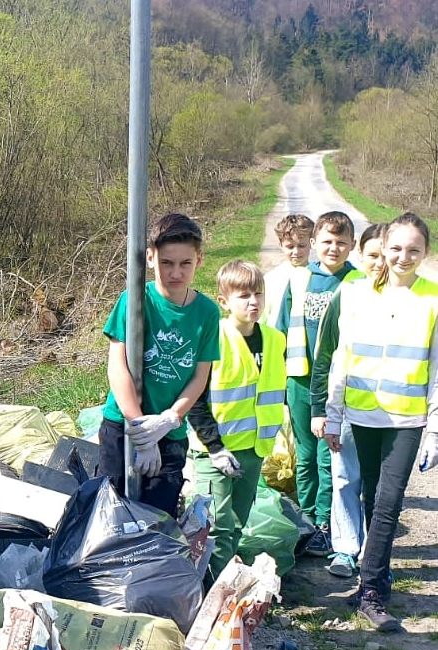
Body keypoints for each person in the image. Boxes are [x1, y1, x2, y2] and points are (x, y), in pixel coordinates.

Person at [325, 213, 438, 631]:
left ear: (426, 252)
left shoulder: (433, 299)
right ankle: (377, 575)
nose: (403, 257)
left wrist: (434, 431)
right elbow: (340, 359)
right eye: (396, 248)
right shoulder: (354, 293)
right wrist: (333, 416)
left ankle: (372, 591)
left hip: (406, 420)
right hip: (363, 416)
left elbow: (436, 369)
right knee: (371, 499)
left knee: (389, 504)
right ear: (383, 247)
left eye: (414, 250)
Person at [99, 212, 221, 517]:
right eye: (167, 263)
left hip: (170, 432)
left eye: (185, 264)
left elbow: (199, 376)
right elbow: (117, 367)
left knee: (157, 520)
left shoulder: (207, 313)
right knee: (112, 513)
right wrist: (141, 429)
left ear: (199, 261)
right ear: (151, 258)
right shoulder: (135, 300)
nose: (176, 272)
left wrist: (169, 419)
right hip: (123, 425)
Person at [189, 261, 286, 581]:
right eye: (244, 295)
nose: (253, 302)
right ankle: (214, 596)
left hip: (254, 449)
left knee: (238, 523)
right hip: (215, 451)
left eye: (258, 294)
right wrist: (215, 448)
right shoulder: (213, 338)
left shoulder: (274, 340)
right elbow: (196, 401)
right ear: (224, 301)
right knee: (218, 526)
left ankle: (226, 590)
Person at [274, 211, 361, 557]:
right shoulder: (298, 281)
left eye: (341, 242)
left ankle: (326, 524)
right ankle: (306, 519)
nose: (334, 248)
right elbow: (280, 332)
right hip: (299, 379)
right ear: (314, 244)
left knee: (329, 457)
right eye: (327, 241)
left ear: (352, 245)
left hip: (336, 386)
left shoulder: (356, 282)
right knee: (306, 457)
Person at [310, 224, 385, 579]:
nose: (381, 263)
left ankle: (375, 552)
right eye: (373, 255)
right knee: (344, 478)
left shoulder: (417, 300)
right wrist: (320, 408)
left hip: (394, 413)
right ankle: (345, 549)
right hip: (349, 407)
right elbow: (324, 355)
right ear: (362, 256)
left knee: (380, 485)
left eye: (388, 255)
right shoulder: (348, 293)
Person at [262, 214, 314, 326]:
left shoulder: (316, 276)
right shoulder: (271, 279)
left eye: (301, 246)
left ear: (311, 243)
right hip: (276, 337)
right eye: (290, 247)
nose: (296, 252)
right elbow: (262, 314)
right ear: (280, 245)